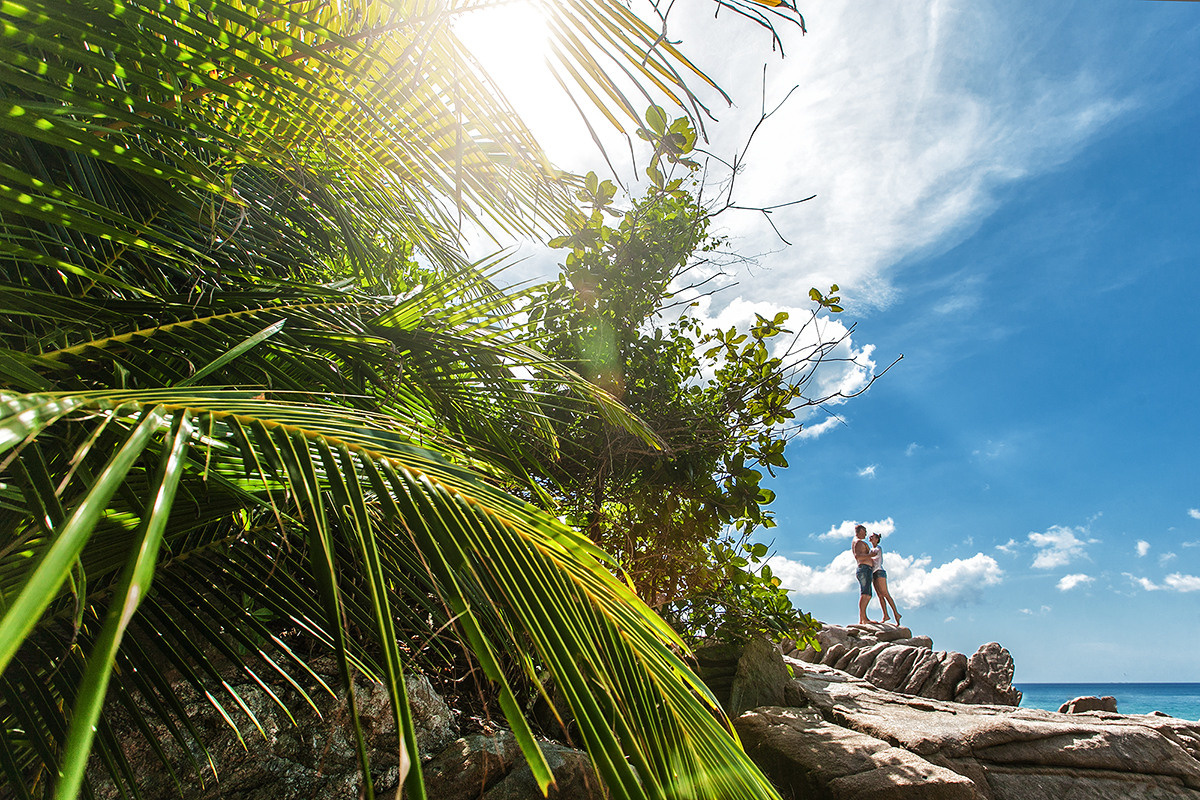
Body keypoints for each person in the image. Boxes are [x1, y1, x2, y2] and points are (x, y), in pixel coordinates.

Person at [868, 532, 902, 625]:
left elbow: (871, 556)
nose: (870, 537)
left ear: (876, 539)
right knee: (880, 595)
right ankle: (885, 615)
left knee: (885, 593)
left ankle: (896, 613)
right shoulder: (871, 549)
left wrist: (863, 554)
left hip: (879, 572)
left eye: (872, 537)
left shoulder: (878, 548)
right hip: (874, 573)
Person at [851, 524, 876, 624]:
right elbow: (858, 556)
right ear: (860, 531)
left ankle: (863, 618)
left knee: (867, 594)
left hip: (866, 569)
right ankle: (863, 619)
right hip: (864, 568)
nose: (866, 534)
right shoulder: (858, 542)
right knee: (865, 594)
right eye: (865, 531)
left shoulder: (858, 542)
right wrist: (870, 555)